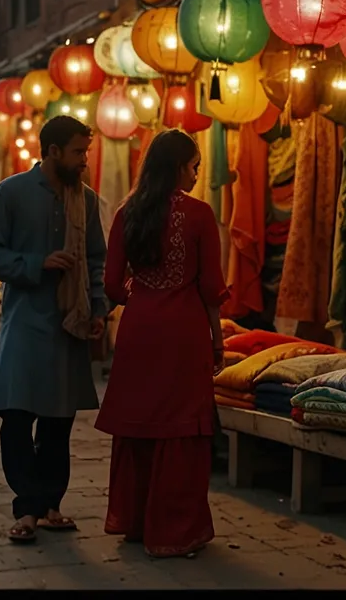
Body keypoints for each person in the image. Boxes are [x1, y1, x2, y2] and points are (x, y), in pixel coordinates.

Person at [95, 130, 226, 559]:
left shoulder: (127, 213)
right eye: (193, 166)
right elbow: (210, 289)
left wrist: (144, 297)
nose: (196, 174)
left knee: (141, 426)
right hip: (184, 333)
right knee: (183, 428)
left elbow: (112, 285)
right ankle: (174, 531)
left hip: (138, 331)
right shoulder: (200, 215)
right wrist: (218, 339)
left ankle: (136, 523)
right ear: (177, 167)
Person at [0, 116, 107, 545]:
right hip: (25, 323)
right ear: (52, 151)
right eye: (77, 152)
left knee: (58, 420)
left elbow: (96, 260)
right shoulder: (11, 192)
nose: (84, 161)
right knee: (16, 417)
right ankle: (27, 507)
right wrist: (37, 264)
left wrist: (99, 308)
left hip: (68, 325)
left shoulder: (86, 201)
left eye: (85, 152)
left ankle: (52, 504)